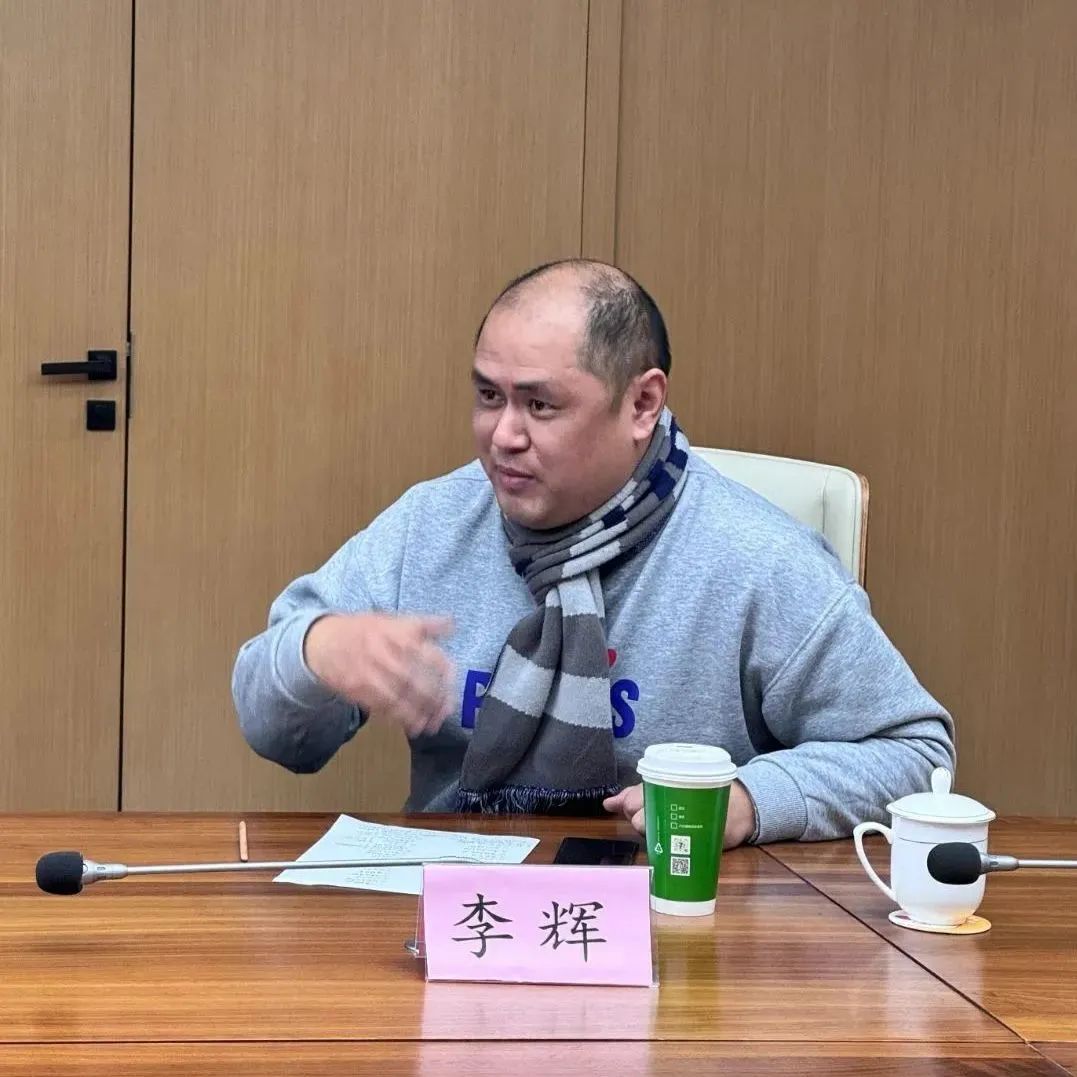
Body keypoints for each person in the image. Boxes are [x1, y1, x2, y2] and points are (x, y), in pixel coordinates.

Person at [232, 259, 955, 847]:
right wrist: (315, 651)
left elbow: (915, 755)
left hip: (673, 916)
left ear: (641, 405)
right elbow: (274, 731)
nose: (503, 436)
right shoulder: (432, 525)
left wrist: (748, 798)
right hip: (458, 909)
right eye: (488, 396)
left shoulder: (758, 560)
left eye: (540, 405)